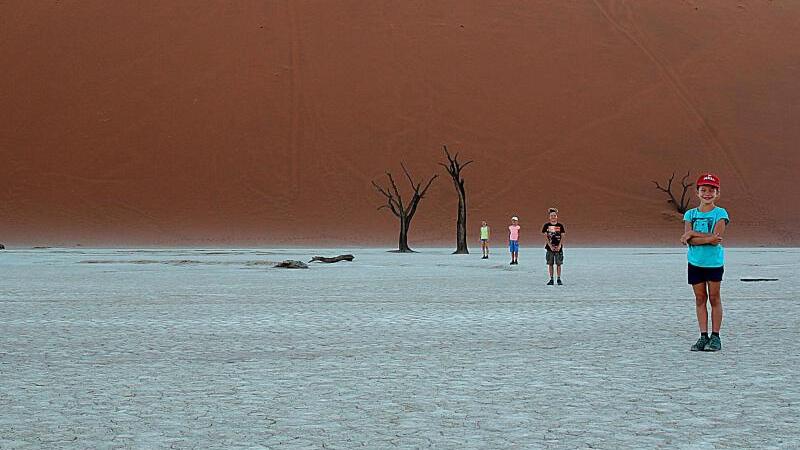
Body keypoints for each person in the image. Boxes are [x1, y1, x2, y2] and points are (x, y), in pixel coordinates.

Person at [681, 173, 729, 352]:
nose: (707, 193)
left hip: (714, 263)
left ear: (717, 193)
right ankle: (703, 336)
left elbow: (717, 238)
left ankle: (715, 337)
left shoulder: (720, 213)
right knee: (700, 298)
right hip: (695, 263)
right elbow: (689, 241)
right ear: (697, 192)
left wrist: (693, 233)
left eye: (711, 190)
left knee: (714, 298)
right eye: (703, 190)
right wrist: (696, 236)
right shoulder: (690, 214)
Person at [541, 208, 566, 285]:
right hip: (549, 248)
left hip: (558, 248)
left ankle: (558, 279)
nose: (553, 217)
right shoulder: (546, 226)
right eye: (552, 216)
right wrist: (550, 245)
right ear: (549, 217)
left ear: (557, 217)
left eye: (554, 215)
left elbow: (562, 236)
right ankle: (551, 279)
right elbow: (545, 237)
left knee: (558, 263)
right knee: (550, 263)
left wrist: (559, 245)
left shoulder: (560, 226)